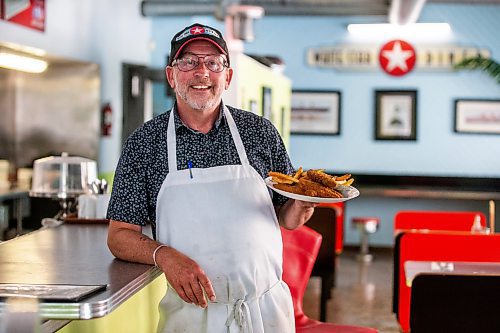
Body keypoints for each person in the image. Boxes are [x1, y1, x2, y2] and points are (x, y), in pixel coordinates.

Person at [107, 22, 318, 332]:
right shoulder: (145, 143)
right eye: (188, 61)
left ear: (227, 76)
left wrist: (304, 203)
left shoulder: (260, 133)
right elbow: (119, 235)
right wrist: (164, 256)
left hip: (267, 312)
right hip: (191, 316)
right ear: (171, 75)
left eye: (213, 62)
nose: (201, 72)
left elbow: (287, 217)